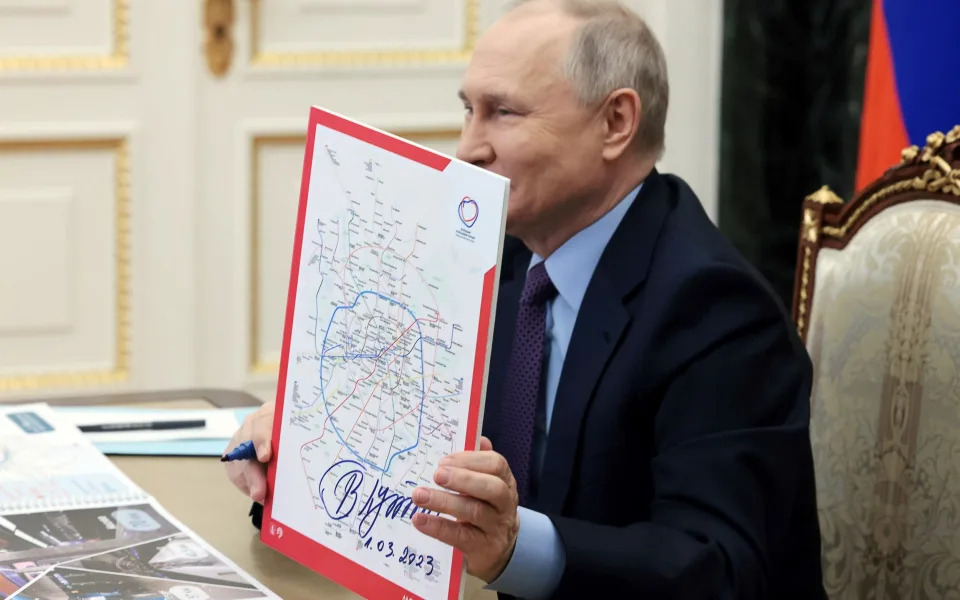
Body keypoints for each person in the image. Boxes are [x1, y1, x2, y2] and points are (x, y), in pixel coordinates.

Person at [224, 0, 828, 598]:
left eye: (503, 113)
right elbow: (409, 465)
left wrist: (516, 549)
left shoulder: (716, 311)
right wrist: (303, 444)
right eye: (468, 110)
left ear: (616, 122)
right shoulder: (490, 255)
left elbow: (717, 570)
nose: (469, 148)